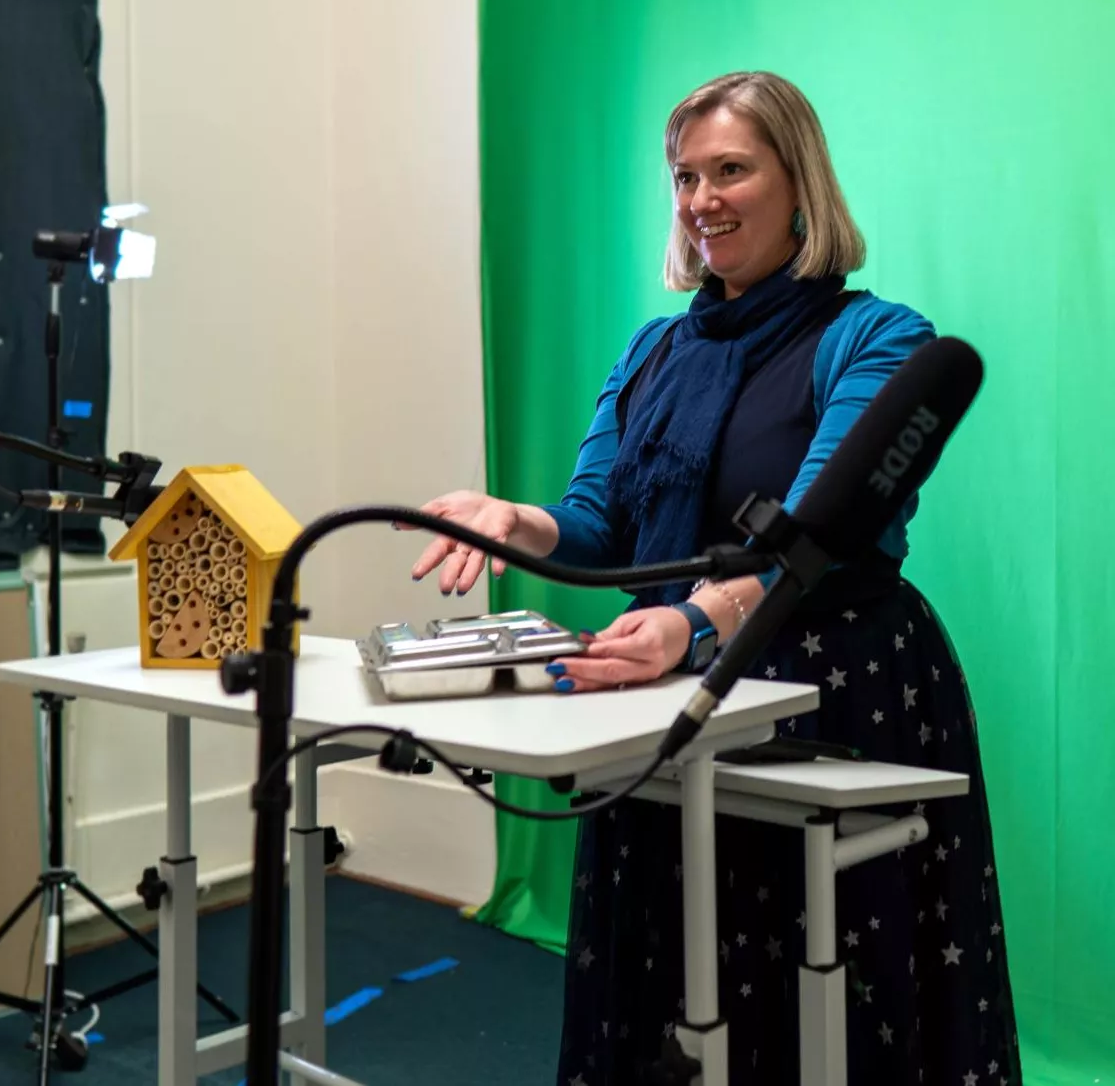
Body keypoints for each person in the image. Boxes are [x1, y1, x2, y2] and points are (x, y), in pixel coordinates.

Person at [408, 71, 1019, 1085]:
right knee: (667, 982)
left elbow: (829, 531)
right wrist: (522, 520)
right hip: (668, 686)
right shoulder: (650, 351)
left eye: (730, 170)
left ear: (799, 183)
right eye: (685, 177)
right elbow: (602, 526)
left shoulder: (875, 338)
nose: (700, 201)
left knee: (816, 987)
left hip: (831, 688)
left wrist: (695, 621)